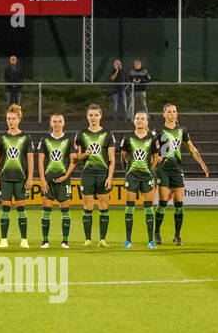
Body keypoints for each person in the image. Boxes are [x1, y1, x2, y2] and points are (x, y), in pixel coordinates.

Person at [154, 103, 209, 246]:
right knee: (164, 201)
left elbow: (192, 149)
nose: (172, 114)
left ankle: (177, 235)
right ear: (164, 114)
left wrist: (202, 164)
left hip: (177, 169)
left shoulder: (181, 130)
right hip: (163, 169)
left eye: (174, 112)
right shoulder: (158, 131)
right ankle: (157, 233)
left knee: (179, 204)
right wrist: (156, 158)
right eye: (169, 112)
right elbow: (151, 150)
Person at [71, 103, 115, 246]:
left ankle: (102, 239)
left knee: (103, 207)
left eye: (96, 115)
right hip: (87, 174)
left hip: (103, 174)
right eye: (91, 115)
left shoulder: (107, 134)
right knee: (88, 208)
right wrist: (85, 154)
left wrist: (109, 177)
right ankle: (88, 239)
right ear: (87, 117)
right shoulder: (81, 134)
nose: (93, 118)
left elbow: (112, 160)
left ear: (100, 116)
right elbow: (76, 158)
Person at [0, 104, 33, 248]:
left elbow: (30, 159)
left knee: (21, 208)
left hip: (21, 178)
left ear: (19, 119)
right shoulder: (1, 137)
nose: (11, 121)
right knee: (5, 208)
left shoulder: (26, 137)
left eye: (13, 119)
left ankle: (24, 240)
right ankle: (4, 239)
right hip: (5, 178)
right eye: (8, 119)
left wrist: (30, 178)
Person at [120, 111, 160, 249]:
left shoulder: (152, 138)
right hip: (132, 176)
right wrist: (127, 170)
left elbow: (156, 157)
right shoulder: (127, 138)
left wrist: (151, 171)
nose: (140, 121)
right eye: (137, 118)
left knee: (149, 208)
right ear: (134, 121)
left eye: (142, 119)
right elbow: (123, 155)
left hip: (146, 176)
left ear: (147, 122)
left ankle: (150, 241)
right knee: (129, 208)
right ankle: (128, 240)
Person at [36, 113, 74, 249]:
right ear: (51, 123)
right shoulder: (45, 140)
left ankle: (65, 241)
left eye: (59, 121)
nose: (57, 124)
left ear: (63, 123)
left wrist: (66, 176)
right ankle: (45, 240)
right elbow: (40, 161)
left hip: (64, 180)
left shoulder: (69, 140)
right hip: (48, 180)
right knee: (46, 211)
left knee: (65, 211)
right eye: (54, 121)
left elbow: (73, 160)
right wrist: (42, 179)